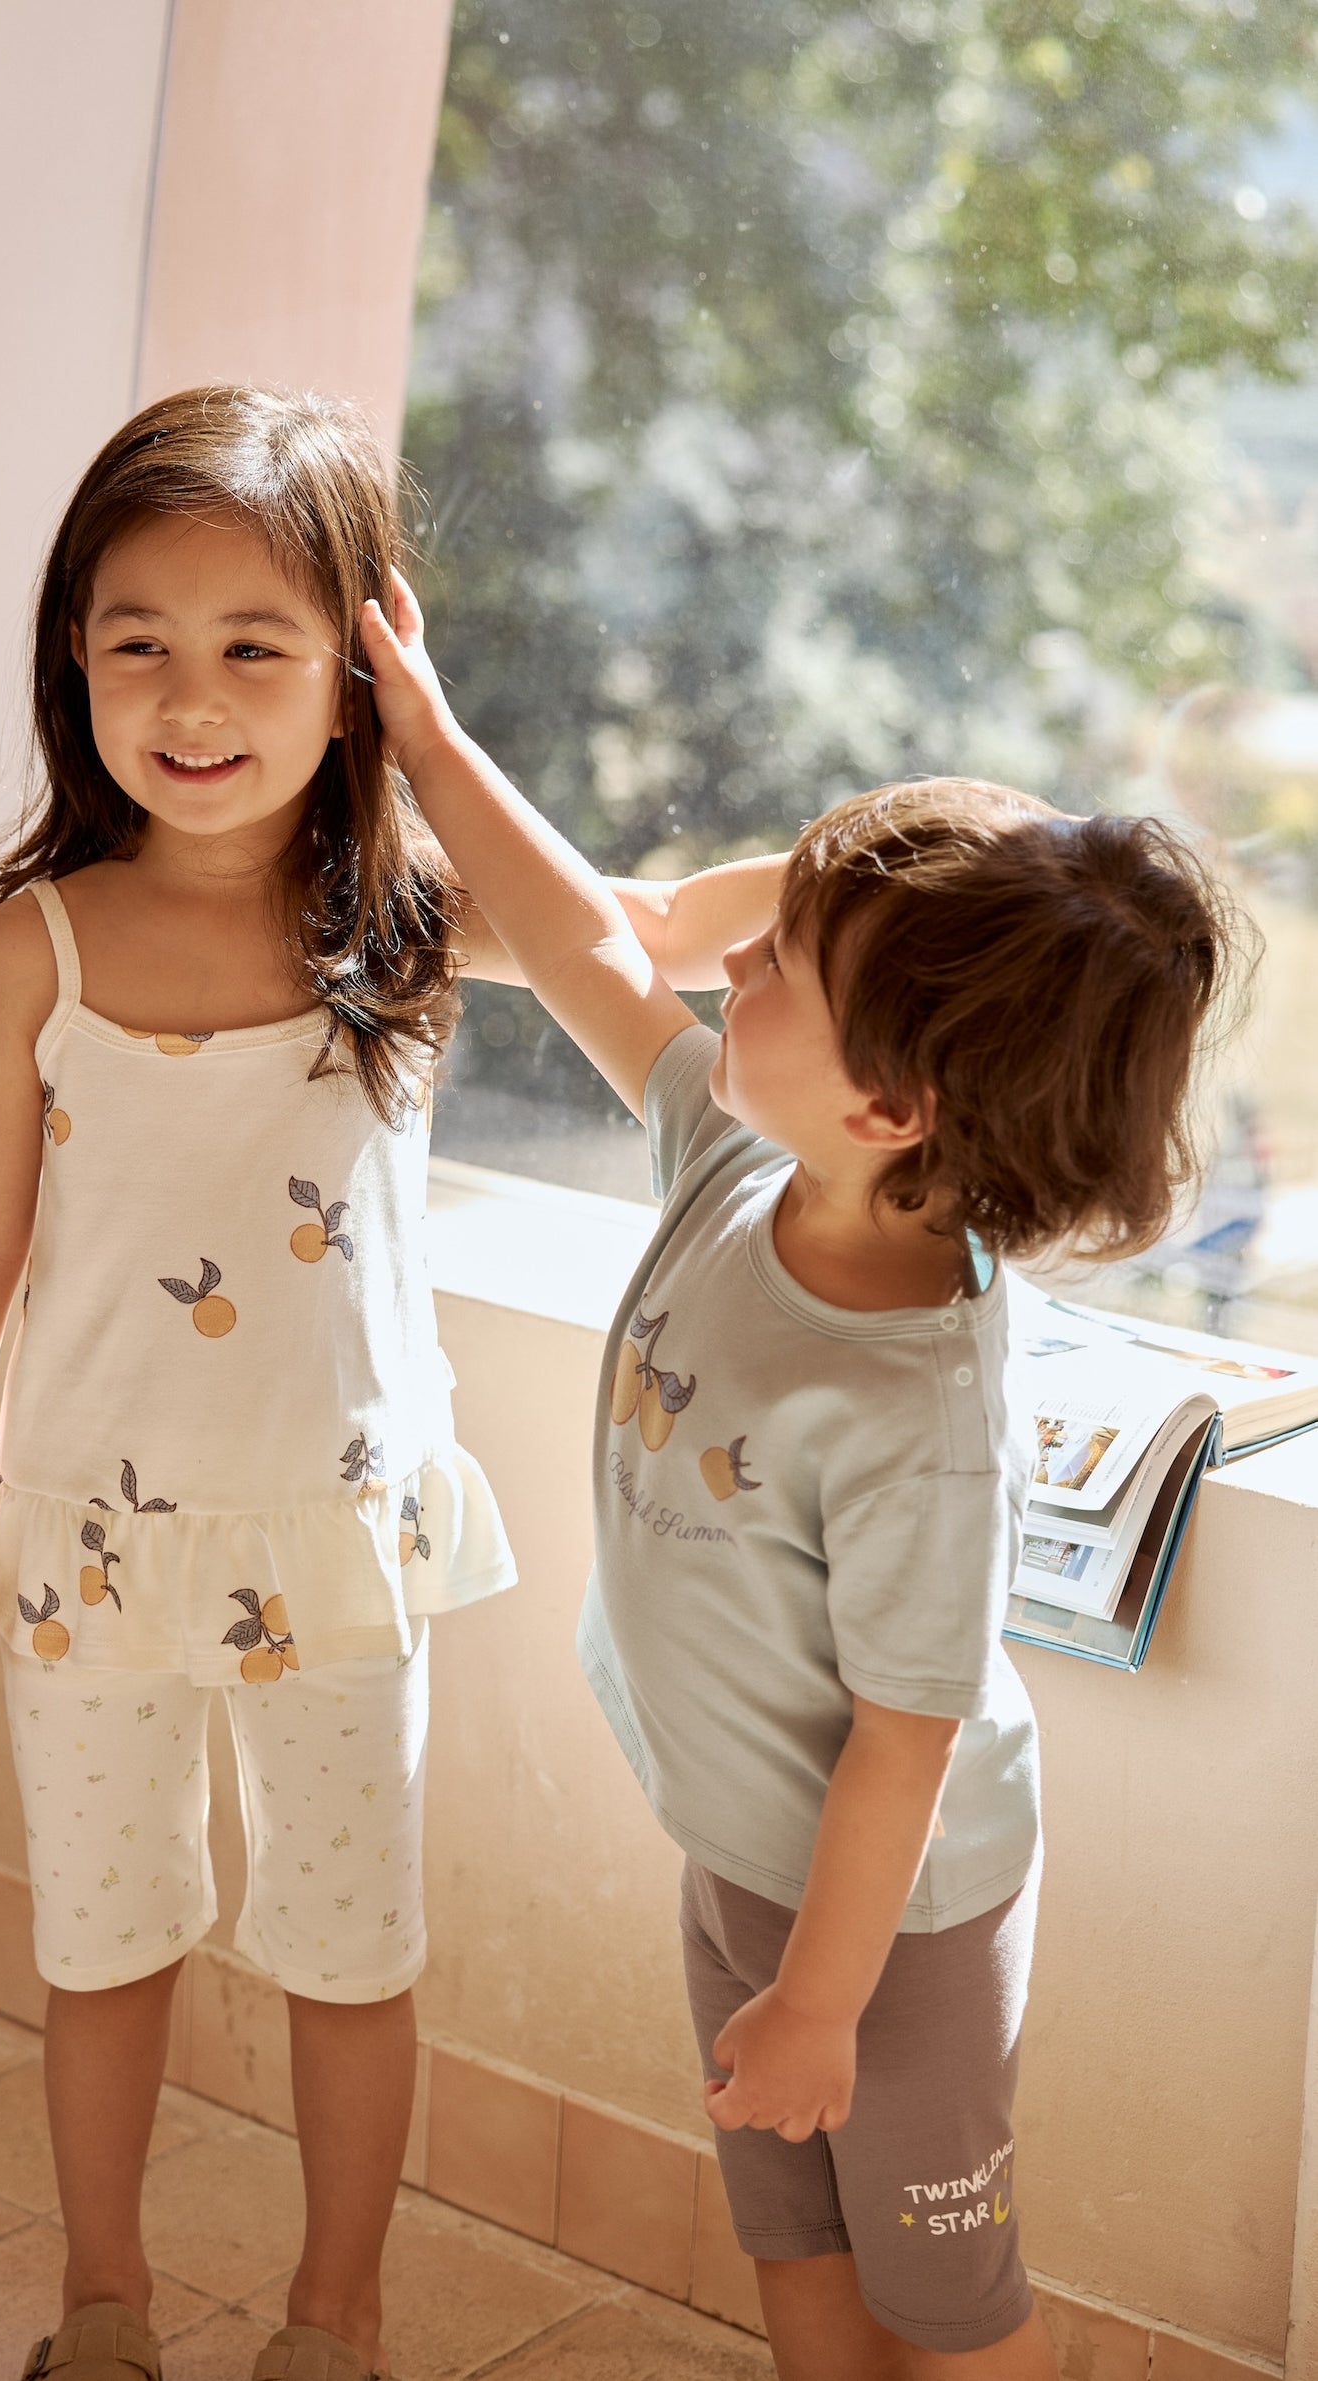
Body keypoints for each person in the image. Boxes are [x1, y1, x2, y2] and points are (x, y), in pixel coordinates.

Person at [0, 384, 756, 2381]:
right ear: (74, 668)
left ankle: (332, 2319)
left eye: (255, 648)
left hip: (338, 1561)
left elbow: (653, 932)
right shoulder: (41, 944)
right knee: (100, 1948)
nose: (191, 697)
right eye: (139, 646)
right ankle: (99, 2308)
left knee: (348, 1959)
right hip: (82, 1550)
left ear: (354, 676)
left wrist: (879, 881)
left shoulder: (402, 923)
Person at [361, 571, 1249, 2378]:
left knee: (946, 2303)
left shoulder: (913, 1398)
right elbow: (593, 947)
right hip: (741, 1857)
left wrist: (824, 2001)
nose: (728, 960)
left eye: (780, 963)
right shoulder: (729, 1152)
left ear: (894, 1105)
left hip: (893, 1925)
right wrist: (434, 746)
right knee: (790, 2237)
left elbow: (904, 1737)